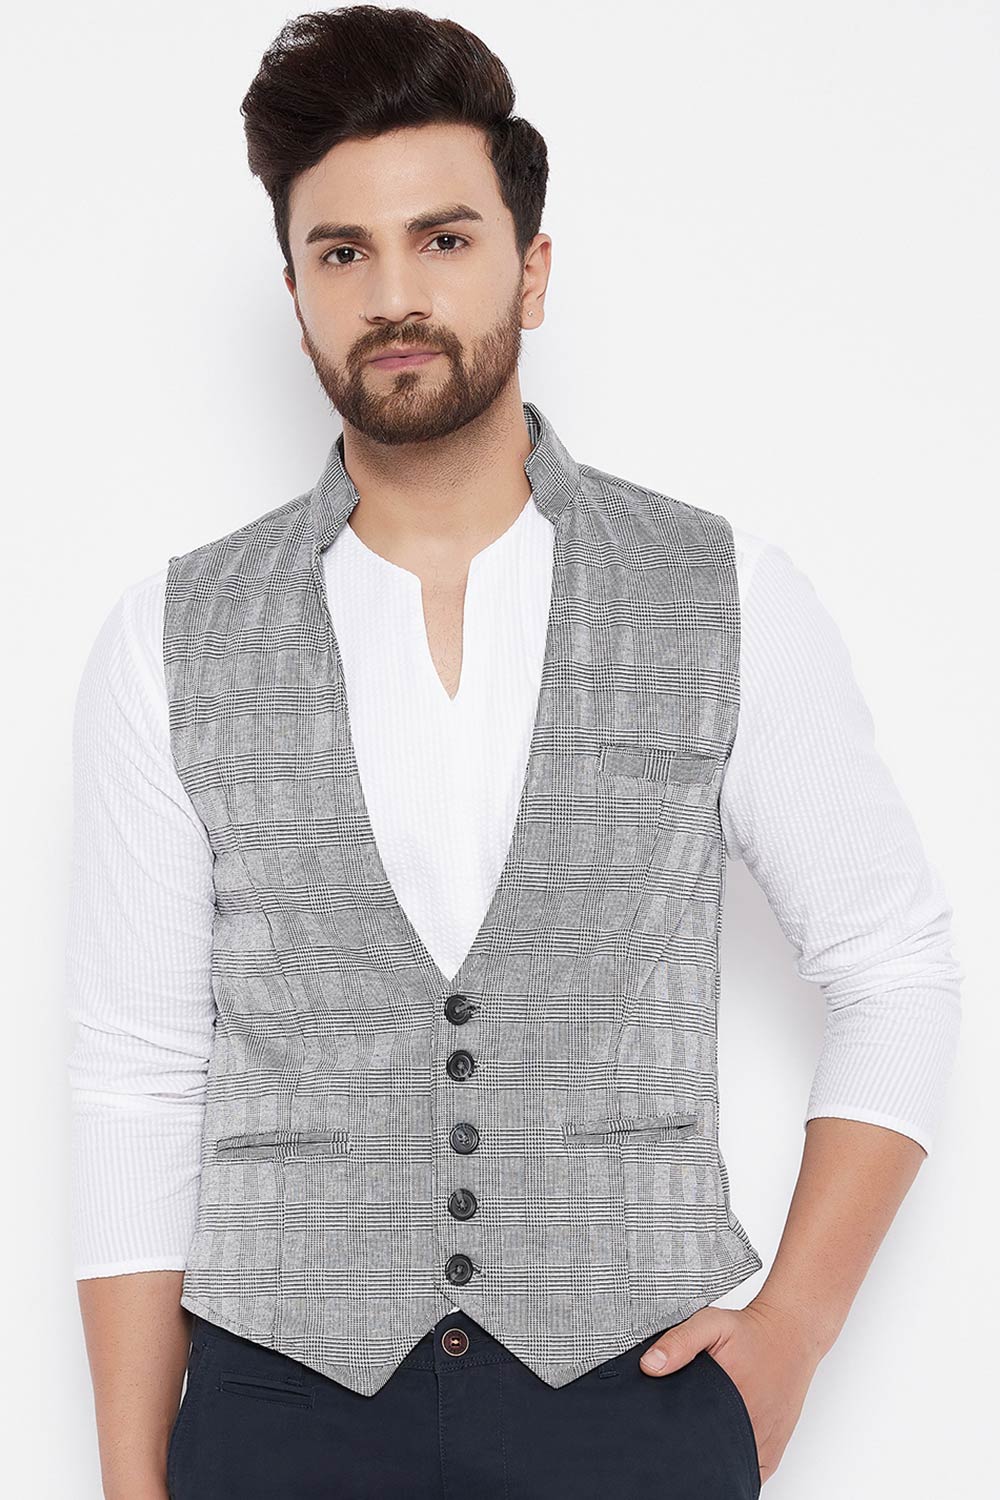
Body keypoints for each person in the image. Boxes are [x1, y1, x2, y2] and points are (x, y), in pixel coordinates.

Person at [65, 7, 962, 1498]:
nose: (393, 295)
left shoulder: (722, 596)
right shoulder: (172, 635)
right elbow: (138, 1075)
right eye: (341, 253)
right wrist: (125, 1473)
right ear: (295, 296)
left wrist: (794, 1332)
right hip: (280, 1409)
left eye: (445, 239)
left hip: (630, 1401)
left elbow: (897, 968)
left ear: (532, 270)